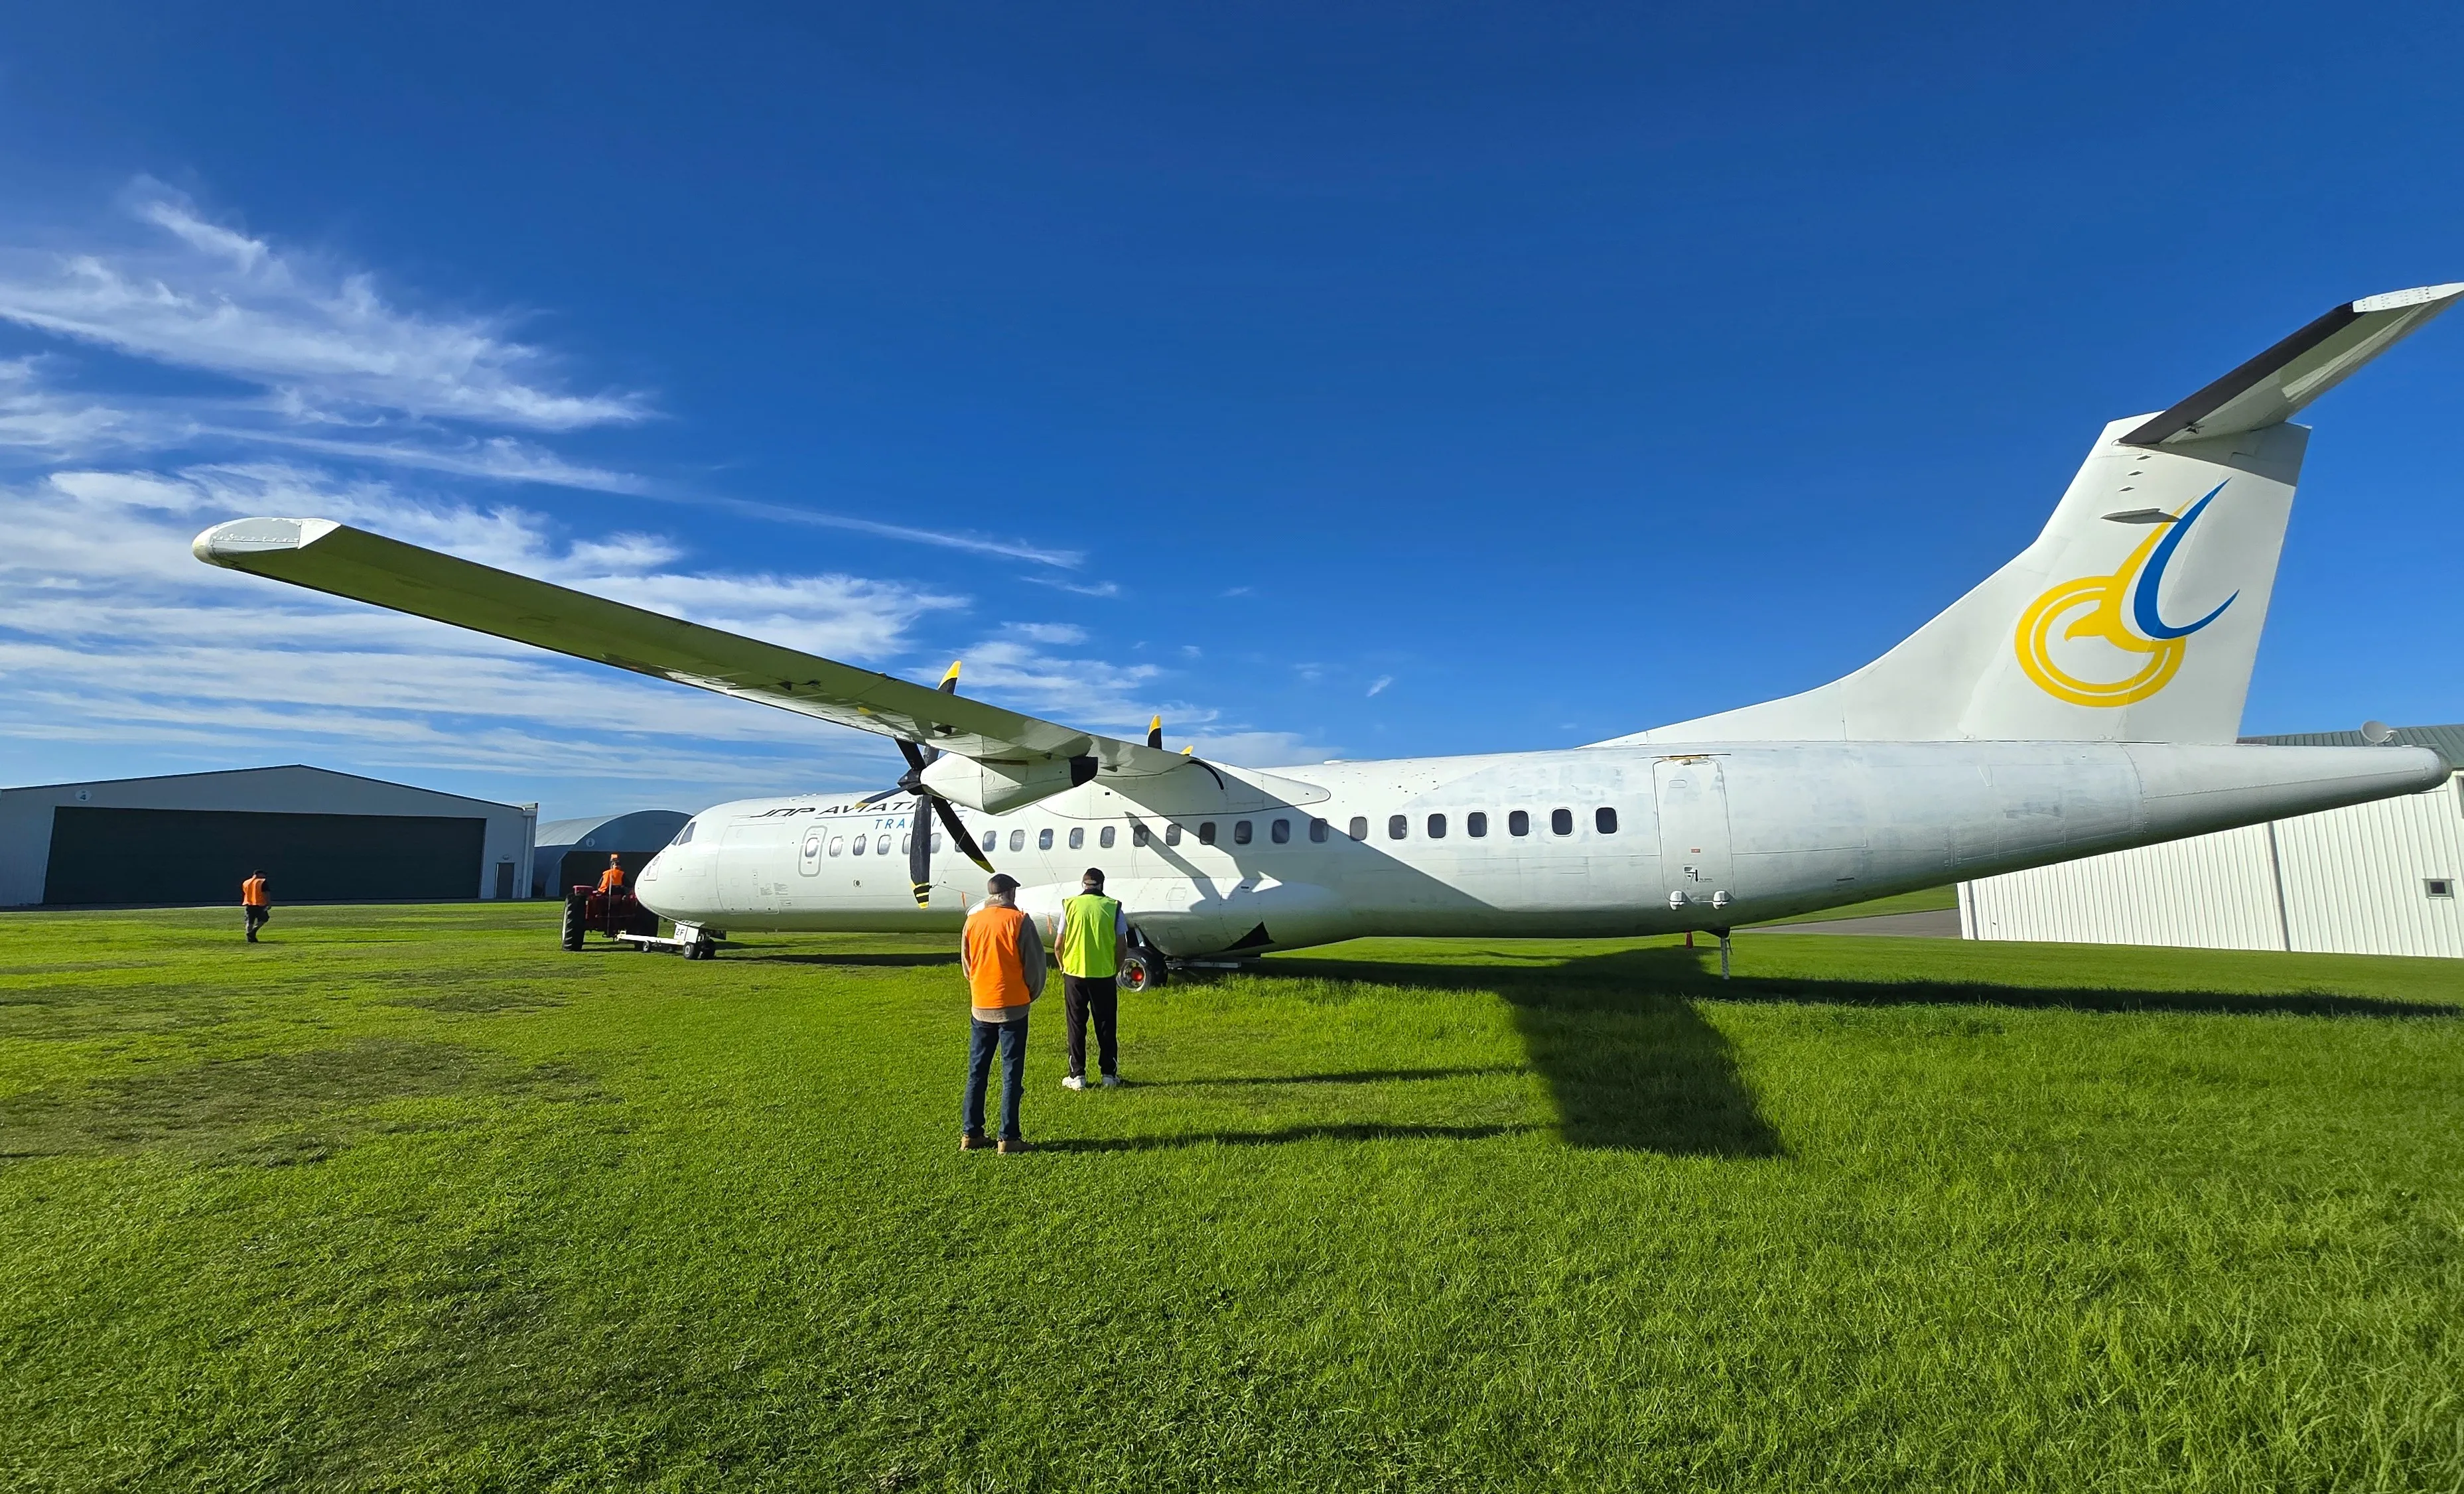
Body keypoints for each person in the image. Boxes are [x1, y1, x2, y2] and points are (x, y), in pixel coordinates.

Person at [958, 872, 1046, 1154]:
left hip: (981, 1005)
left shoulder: (972, 922)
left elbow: (967, 964)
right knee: (1011, 1074)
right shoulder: (1019, 920)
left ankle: (971, 1134)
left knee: (977, 1072)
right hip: (1013, 1007)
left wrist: (980, 989)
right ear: (1009, 893)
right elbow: (1035, 966)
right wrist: (1030, 994)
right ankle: (1009, 1137)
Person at [1054, 868, 1129, 1089]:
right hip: (1104, 974)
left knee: (1076, 1025)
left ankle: (1077, 1075)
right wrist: (1116, 968)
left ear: (1083, 884)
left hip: (1074, 973)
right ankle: (1108, 1074)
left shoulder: (1070, 905)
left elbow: (1059, 944)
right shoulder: (1113, 907)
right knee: (1106, 1025)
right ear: (1102, 885)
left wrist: (1062, 966)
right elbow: (1122, 946)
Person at [241, 871, 271, 942]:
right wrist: (268, 903)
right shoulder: (262, 882)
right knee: (264, 919)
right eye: (263, 874)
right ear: (259, 874)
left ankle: (249, 938)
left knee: (249, 921)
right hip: (260, 904)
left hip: (249, 904)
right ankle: (253, 932)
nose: (264, 876)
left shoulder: (246, 882)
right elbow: (266, 893)